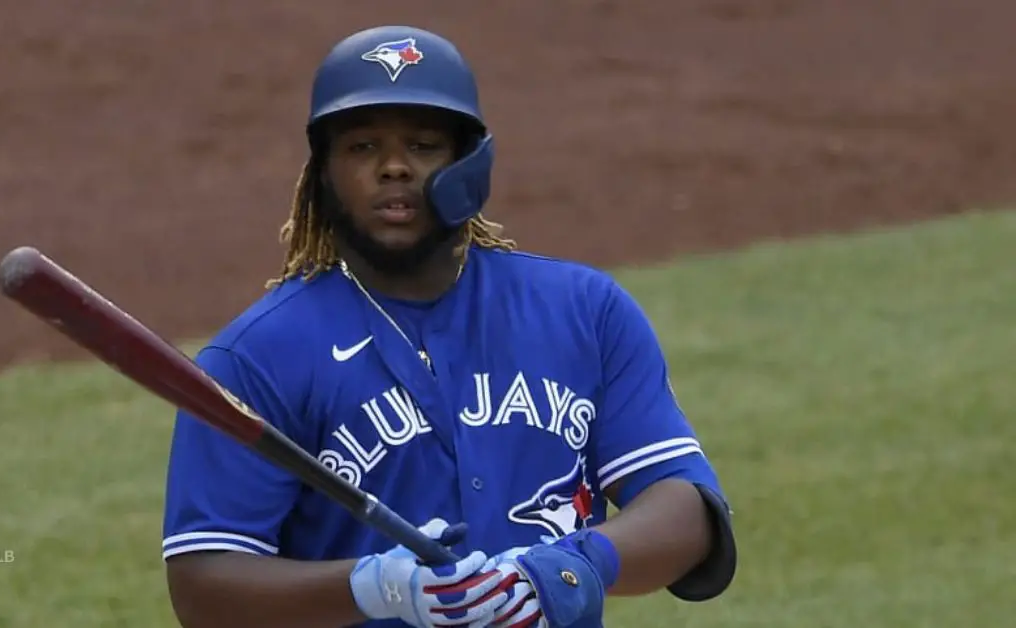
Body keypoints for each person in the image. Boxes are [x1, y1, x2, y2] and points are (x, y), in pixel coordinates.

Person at [160, 25, 737, 628]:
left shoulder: (584, 312)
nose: (393, 168)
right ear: (323, 176)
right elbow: (203, 586)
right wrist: (372, 587)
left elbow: (687, 513)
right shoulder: (256, 357)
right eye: (362, 147)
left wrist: (566, 569)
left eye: (423, 144)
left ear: (470, 164)